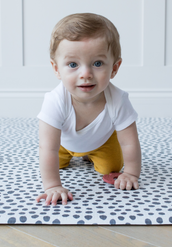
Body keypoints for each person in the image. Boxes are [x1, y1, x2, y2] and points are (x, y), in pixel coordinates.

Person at [36, 13, 141, 206]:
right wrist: (52, 186)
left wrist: (131, 173)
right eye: (73, 64)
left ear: (115, 68)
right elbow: (48, 147)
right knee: (52, 163)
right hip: (62, 145)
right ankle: (72, 157)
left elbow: (129, 143)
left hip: (102, 143)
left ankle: (92, 155)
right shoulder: (55, 101)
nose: (86, 74)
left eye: (97, 63)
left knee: (111, 168)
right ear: (56, 69)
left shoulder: (118, 100)